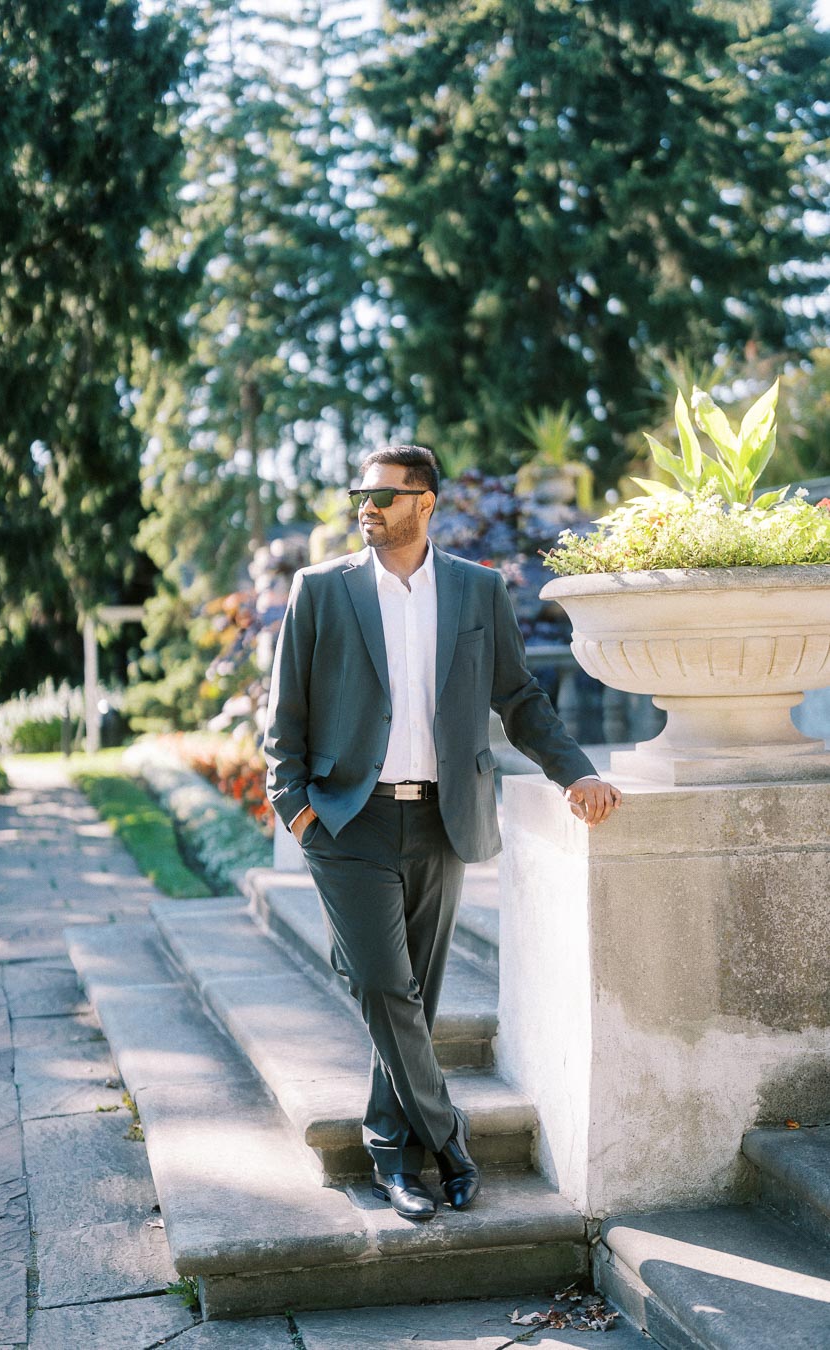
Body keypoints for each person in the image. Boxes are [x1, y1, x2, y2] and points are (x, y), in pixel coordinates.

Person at [264, 444, 621, 1221]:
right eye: (361, 495)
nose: (367, 507)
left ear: (425, 503)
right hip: (347, 819)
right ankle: (451, 1145)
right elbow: (285, 711)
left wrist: (576, 773)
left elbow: (519, 699)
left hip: (441, 817)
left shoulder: (476, 589)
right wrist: (296, 809)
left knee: (414, 1002)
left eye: (384, 495)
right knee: (382, 984)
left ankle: (393, 1157)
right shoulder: (321, 589)